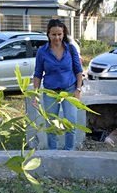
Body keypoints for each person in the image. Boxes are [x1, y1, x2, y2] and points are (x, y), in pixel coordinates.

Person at [32, 19, 83, 150]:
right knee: (51, 125)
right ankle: (53, 154)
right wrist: (35, 94)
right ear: (48, 34)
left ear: (64, 34)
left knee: (70, 123)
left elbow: (78, 71)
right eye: (54, 34)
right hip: (50, 92)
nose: (57, 37)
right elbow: (37, 74)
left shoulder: (70, 49)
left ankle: (69, 152)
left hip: (69, 90)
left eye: (59, 34)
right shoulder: (42, 52)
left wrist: (78, 89)